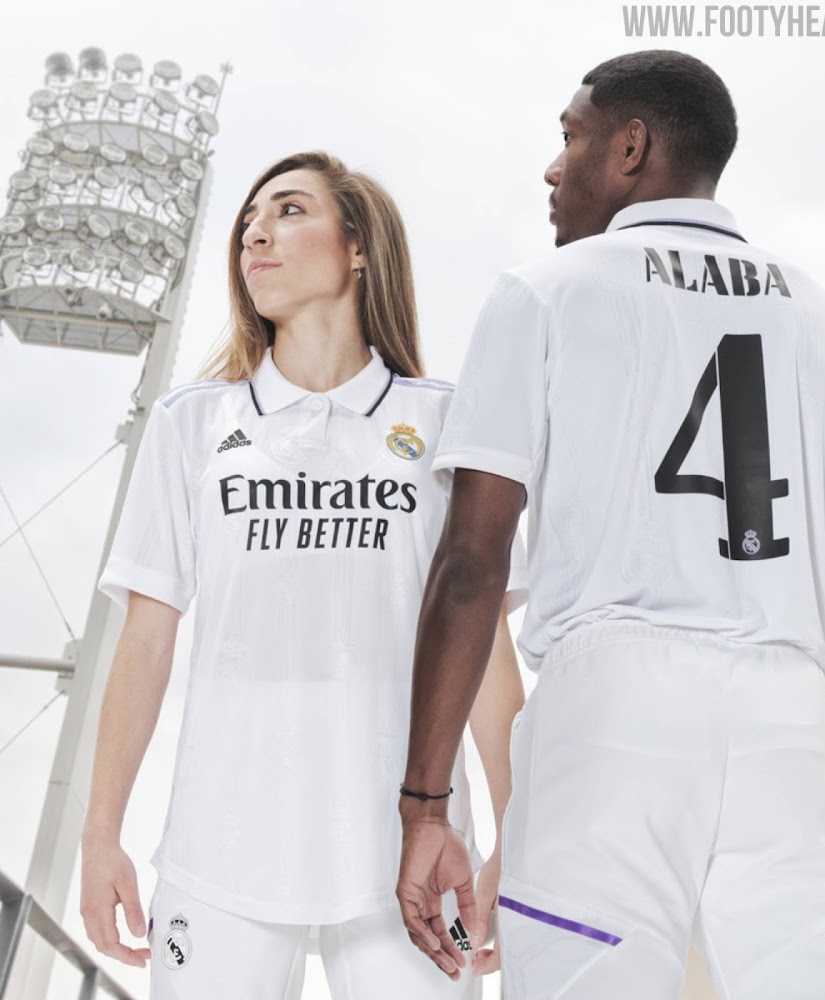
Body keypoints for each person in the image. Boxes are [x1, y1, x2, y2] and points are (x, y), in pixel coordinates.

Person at [396, 50, 825, 1000]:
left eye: (571, 136)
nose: (553, 167)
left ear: (630, 148)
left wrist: (426, 803)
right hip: (790, 724)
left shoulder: (544, 291)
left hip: (610, 713)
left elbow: (471, 562)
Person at [80, 151, 527, 999]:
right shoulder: (190, 425)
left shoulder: (446, 421)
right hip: (221, 853)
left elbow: (485, 647)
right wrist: (100, 835)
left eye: (287, 211)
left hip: (412, 857)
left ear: (358, 247)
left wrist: (517, 832)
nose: (256, 235)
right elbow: (144, 644)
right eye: (248, 223)